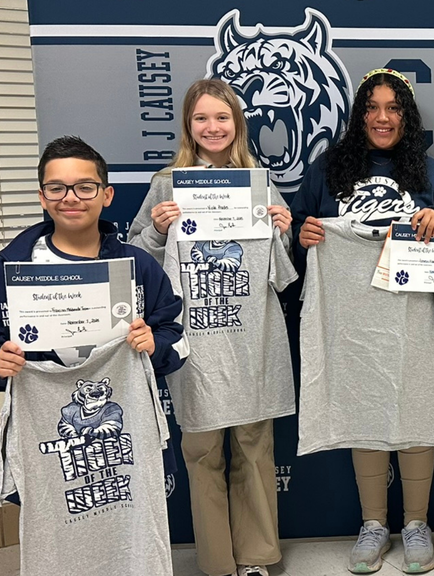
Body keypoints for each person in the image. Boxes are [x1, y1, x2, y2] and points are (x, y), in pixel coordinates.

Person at [0, 136, 187, 574]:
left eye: (84, 187)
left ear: (106, 195)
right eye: (57, 188)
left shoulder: (138, 267)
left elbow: (177, 339)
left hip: (122, 436)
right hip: (51, 442)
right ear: (42, 196)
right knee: (60, 532)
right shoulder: (13, 268)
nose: (71, 198)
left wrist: (154, 344)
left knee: (130, 530)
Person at [292, 68, 434, 575]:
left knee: (417, 411)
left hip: (413, 316)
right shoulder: (328, 170)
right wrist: (303, 237)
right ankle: (374, 523)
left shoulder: (428, 173)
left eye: (393, 108)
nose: (383, 117)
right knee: (362, 412)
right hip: (351, 320)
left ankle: (416, 523)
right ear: (359, 114)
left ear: (407, 116)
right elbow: (296, 233)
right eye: (372, 107)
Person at [128, 78, 297, 576]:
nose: (212, 127)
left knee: (254, 445)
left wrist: (283, 234)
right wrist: (158, 229)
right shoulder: (167, 182)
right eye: (202, 118)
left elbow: (283, 270)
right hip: (194, 337)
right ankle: (218, 563)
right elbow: (137, 257)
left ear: (237, 124)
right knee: (202, 451)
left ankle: (258, 558)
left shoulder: (260, 181)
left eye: (222, 117)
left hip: (251, 335)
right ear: (188, 125)